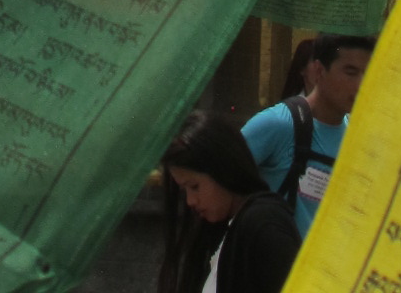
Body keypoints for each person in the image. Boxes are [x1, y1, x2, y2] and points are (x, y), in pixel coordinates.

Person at [242, 33, 373, 237]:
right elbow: (218, 180)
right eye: (351, 72)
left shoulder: (357, 140)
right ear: (319, 71)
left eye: (368, 73)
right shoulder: (279, 123)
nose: (361, 85)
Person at [158, 114, 300, 293]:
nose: (190, 201)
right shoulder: (226, 227)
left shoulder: (263, 223)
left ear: (222, 170)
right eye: (184, 190)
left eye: (194, 186)